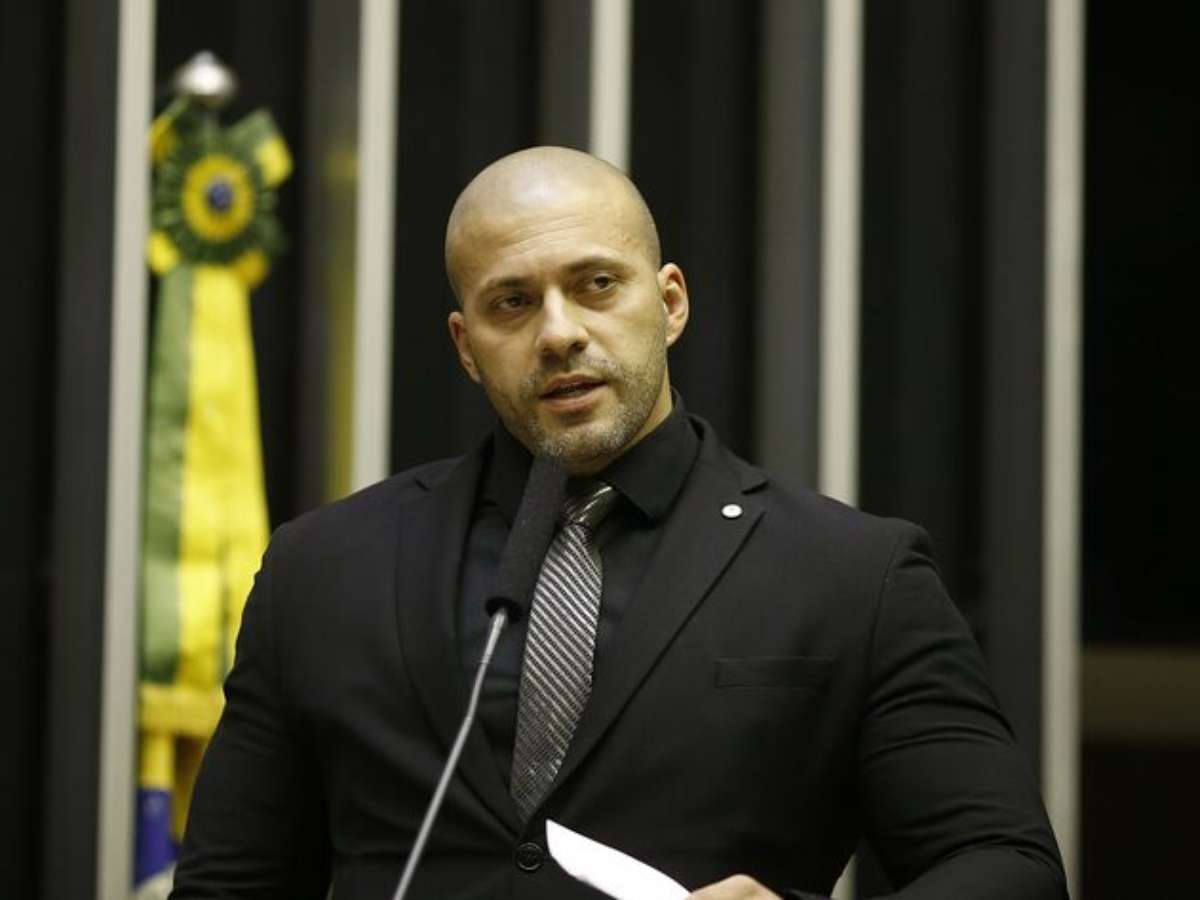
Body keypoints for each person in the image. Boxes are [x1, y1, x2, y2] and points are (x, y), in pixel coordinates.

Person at [172, 147, 1067, 899]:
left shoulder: (852, 574)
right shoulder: (324, 568)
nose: (559, 333)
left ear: (669, 303)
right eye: (512, 302)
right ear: (466, 347)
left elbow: (1008, 865)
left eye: (597, 285)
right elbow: (229, 884)